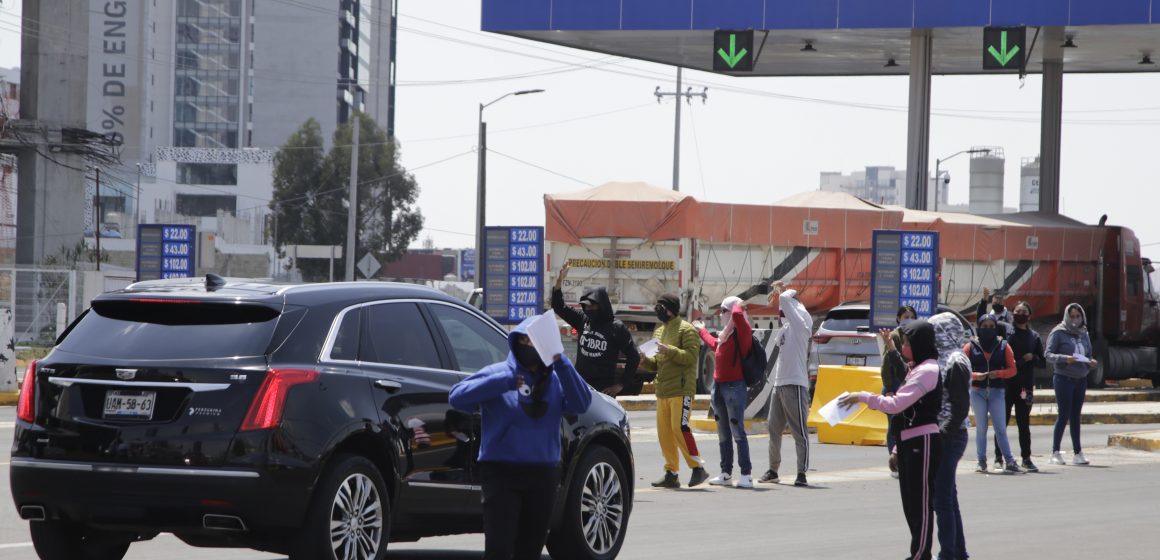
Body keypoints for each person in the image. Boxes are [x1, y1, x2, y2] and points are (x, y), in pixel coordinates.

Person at [448, 321, 592, 560]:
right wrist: (504, 382)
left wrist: (562, 363)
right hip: (501, 474)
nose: (528, 346)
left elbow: (581, 403)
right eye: (523, 341)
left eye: (534, 342)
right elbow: (457, 397)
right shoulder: (498, 373)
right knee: (500, 549)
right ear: (515, 343)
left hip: (543, 475)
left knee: (530, 550)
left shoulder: (556, 378)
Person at [841, 320, 943, 560]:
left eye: (907, 341)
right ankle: (917, 552)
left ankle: (920, 555)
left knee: (921, 505)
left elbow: (896, 405)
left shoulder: (928, 370)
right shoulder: (917, 368)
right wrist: (891, 347)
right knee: (910, 504)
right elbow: (903, 374)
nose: (905, 345)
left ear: (919, 344)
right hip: (909, 442)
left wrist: (862, 396)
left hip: (923, 442)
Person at [640, 292, 707, 488]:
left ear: (671, 309)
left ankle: (697, 468)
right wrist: (646, 362)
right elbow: (657, 364)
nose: (659, 311)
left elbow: (691, 357)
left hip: (681, 389)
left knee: (680, 429)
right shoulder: (659, 332)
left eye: (662, 308)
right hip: (663, 390)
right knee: (665, 433)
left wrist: (669, 350)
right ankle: (671, 472)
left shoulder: (686, 330)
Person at [551, 262, 641, 396]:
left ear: (602, 305)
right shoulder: (583, 320)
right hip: (580, 386)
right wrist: (559, 280)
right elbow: (558, 306)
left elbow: (634, 357)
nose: (588, 310)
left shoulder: (616, 327)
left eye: (592, 306)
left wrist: (621, 384)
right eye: (585, 307)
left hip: (603, 390)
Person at [693, 296, 755, 489]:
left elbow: (737, 314)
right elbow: (714, 344)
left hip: (734, 387)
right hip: (718, 387)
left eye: (723, 310)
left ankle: (746, 474)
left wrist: (737, 305)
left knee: (738, 432)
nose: (720, 315)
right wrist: (701, 330)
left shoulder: (742, 331)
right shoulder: (724, 336)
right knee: (723, 434)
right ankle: (726, 473)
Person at [929, 313, 972, 560]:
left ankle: (947, 553)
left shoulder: (955, 360)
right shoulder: (944, 358)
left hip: (951, 436)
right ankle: (958, 551)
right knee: (948, 496)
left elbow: (959, 406)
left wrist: (943, 433)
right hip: (948, 434)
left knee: (942, 498)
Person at [760, 281, 812, 487]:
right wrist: (781, 295)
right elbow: (783, 306)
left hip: (795, 385)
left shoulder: (802, 327)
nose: (782, 314)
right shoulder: (786, 329)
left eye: (786, 310)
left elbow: (785, 301)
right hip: (779, 385)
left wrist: (784, 290)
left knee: (799, 431)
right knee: (774, 429)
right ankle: (773, 470)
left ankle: (802, 473)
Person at [992, 301, 1044, 472]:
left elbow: (1042, 361)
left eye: (1024, 311)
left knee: (1024, 422)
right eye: (1017, 310)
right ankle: (999, 457)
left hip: (1025, 387)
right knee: (1002, 422)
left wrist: (1033, 358)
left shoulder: (1034, 336)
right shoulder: (1006, 330)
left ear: (1029, 315)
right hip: (1007, 384)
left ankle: (1026, 458)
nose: (1020, 313)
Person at [965, 314, 1021, 474]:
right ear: (978, 327)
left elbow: (1013, 370)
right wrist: (976, 376)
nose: (988, 330)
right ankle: (981, 461)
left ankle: (1009, 461)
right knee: (981, 428)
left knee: (1000, 428)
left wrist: (999, 374)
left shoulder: (1004, 345)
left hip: (997, 391)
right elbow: (962, 370)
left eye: (991, 326)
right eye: (984, 326)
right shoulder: (970, 346)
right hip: (977, 391)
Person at [1045, 303, 1098, 466]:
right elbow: (1048, 354)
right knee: (1064, 414)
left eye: (1078, 316)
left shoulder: (1084, 333)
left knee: (1076, 416)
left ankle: (1078, 452)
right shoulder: (1059, 332)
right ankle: (1055, 452)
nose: (1075, 320)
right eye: (1072, 316)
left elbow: (1088, 354)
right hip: (1064, 378)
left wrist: (1091, 362)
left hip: (1080, 378)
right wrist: (1064, 358)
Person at [882, 305, 918, 478]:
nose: (908, 319)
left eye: (911, 316)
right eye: (905, 316)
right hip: (895, 384)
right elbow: (887, 363)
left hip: (909, 383)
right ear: (898, 318)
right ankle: (895, 461)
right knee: (894, 425)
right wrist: (889, 389)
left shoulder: (915, 335)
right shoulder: (895, 336)